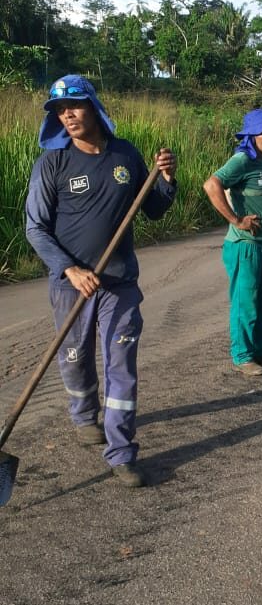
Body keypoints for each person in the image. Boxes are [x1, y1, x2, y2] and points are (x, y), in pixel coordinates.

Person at [25, 74, 177, 488]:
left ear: (93, 106)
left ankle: (122, 452)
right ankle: (82, 414)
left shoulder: (125, 154)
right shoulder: (52, 163)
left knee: (121, 365)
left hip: (119, 282)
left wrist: (165, 180)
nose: (67, 115)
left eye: (74, 106)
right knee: (75, 358)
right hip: (70, 284)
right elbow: (35, 228)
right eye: (60, 110)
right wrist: (70, 269)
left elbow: (154, 210)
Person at [203, 108, 262, 377]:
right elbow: (211, 185)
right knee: (246, 303)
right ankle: (242, 355)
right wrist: (236, 219)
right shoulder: (242, 160)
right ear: (251, 135)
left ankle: (258, 349)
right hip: (244, 246)